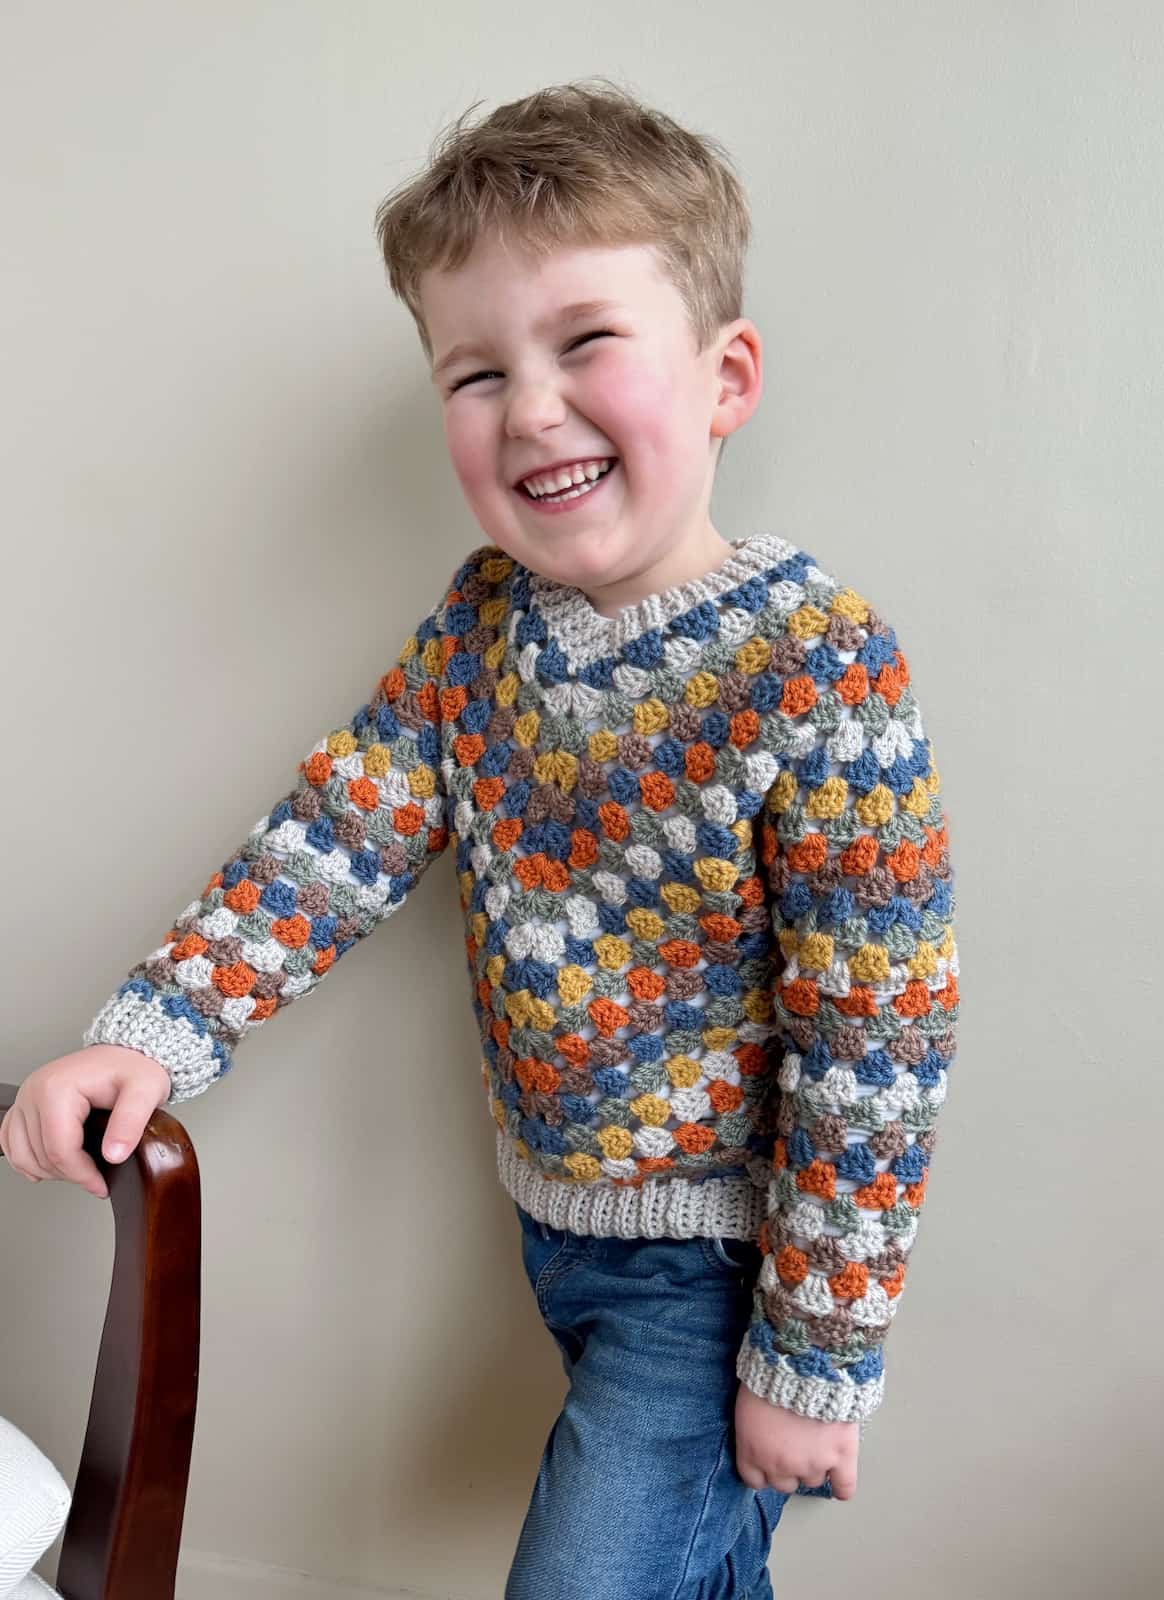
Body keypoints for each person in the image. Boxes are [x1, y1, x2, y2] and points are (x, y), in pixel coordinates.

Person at [1, 78, 960, 1599]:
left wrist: (814, 1356)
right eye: (475, 372)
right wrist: (156, 1031)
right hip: (558, 1235)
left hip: (715, 1274)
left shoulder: (817, 666)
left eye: (586, 344)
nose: (530, 407)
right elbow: (332, 843)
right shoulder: (481, 630)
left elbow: (878, 1036)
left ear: (726, 377)